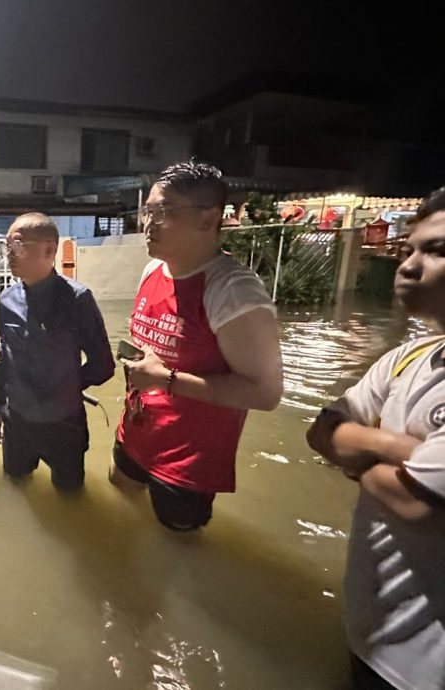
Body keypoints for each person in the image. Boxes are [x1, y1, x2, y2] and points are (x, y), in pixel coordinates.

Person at [307, 187, 445, 690]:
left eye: (437, 251)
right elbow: (321, 432)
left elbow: (418, 505)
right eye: (410, 248)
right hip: (371, 635)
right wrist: (401, 451)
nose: (408, 265)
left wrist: (357, 451)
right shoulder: (408, 359)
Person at [111, 161, 283, 530]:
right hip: (138, 430)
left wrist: (166, 381)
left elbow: (266, 393)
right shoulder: (153, 270)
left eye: (163, 212)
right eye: (148, 211)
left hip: (187, 461)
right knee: (120, 498)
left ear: (208, 220)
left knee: (177, 547)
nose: (148, 223)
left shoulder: (233, 292)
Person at [0, 213, 114, 490]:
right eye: (6, 246)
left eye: (17, 245)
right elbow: (4, 358)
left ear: (49, 250)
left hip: (63, 425)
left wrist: (64, 385)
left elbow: (103, 365)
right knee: (15, 488)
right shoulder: (7, 301)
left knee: (69, 496)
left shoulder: (77, 299)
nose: (8, 253)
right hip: (17, 423)